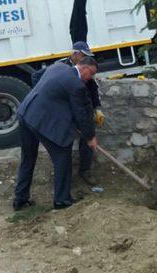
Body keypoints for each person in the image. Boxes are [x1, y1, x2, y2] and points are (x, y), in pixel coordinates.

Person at [13, 57, 99, 211]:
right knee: (63, 156)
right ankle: (62, 200)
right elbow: (82, 114)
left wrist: (48, 100)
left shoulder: (58, 67)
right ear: (84, 68)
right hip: (39, 120)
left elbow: (37, 77)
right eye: (91, 73)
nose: (90, 78)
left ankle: (20, 199)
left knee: (28, 158)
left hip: (25, 113)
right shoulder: (76, 84)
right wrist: (90, 137)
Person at [31, 41, 104, 186]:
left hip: (79, 107)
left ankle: (85, 170)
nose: (85, 58)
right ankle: (64, 177)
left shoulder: (86, 69)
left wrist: (97, 108)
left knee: (87, 133)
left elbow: (92, 87)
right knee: (64, 141)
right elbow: (36, 77)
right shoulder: (60, 65)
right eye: (84, 55)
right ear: (75, 54)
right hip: (63, 109)